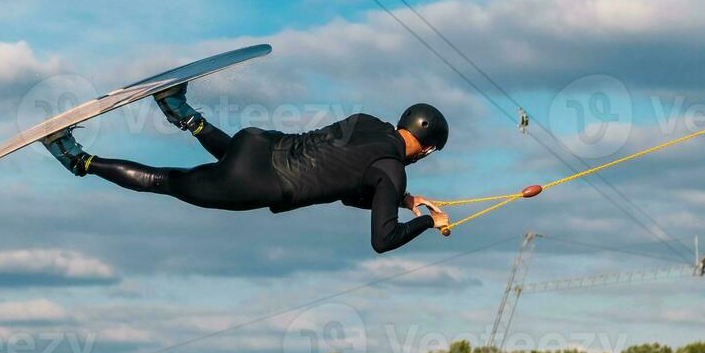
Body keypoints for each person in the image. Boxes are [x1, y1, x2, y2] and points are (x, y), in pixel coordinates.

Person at [44, 87, 450, 253]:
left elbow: (346, 184)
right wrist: (428, 222)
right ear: (428, 148)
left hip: (257, 143)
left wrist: (406, 200)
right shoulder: (391, 170)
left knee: (228, 159)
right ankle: (76, 159)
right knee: (164, 181)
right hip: (257, 183)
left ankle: (180, 111)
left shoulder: (368, 122)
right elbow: (383, 239)